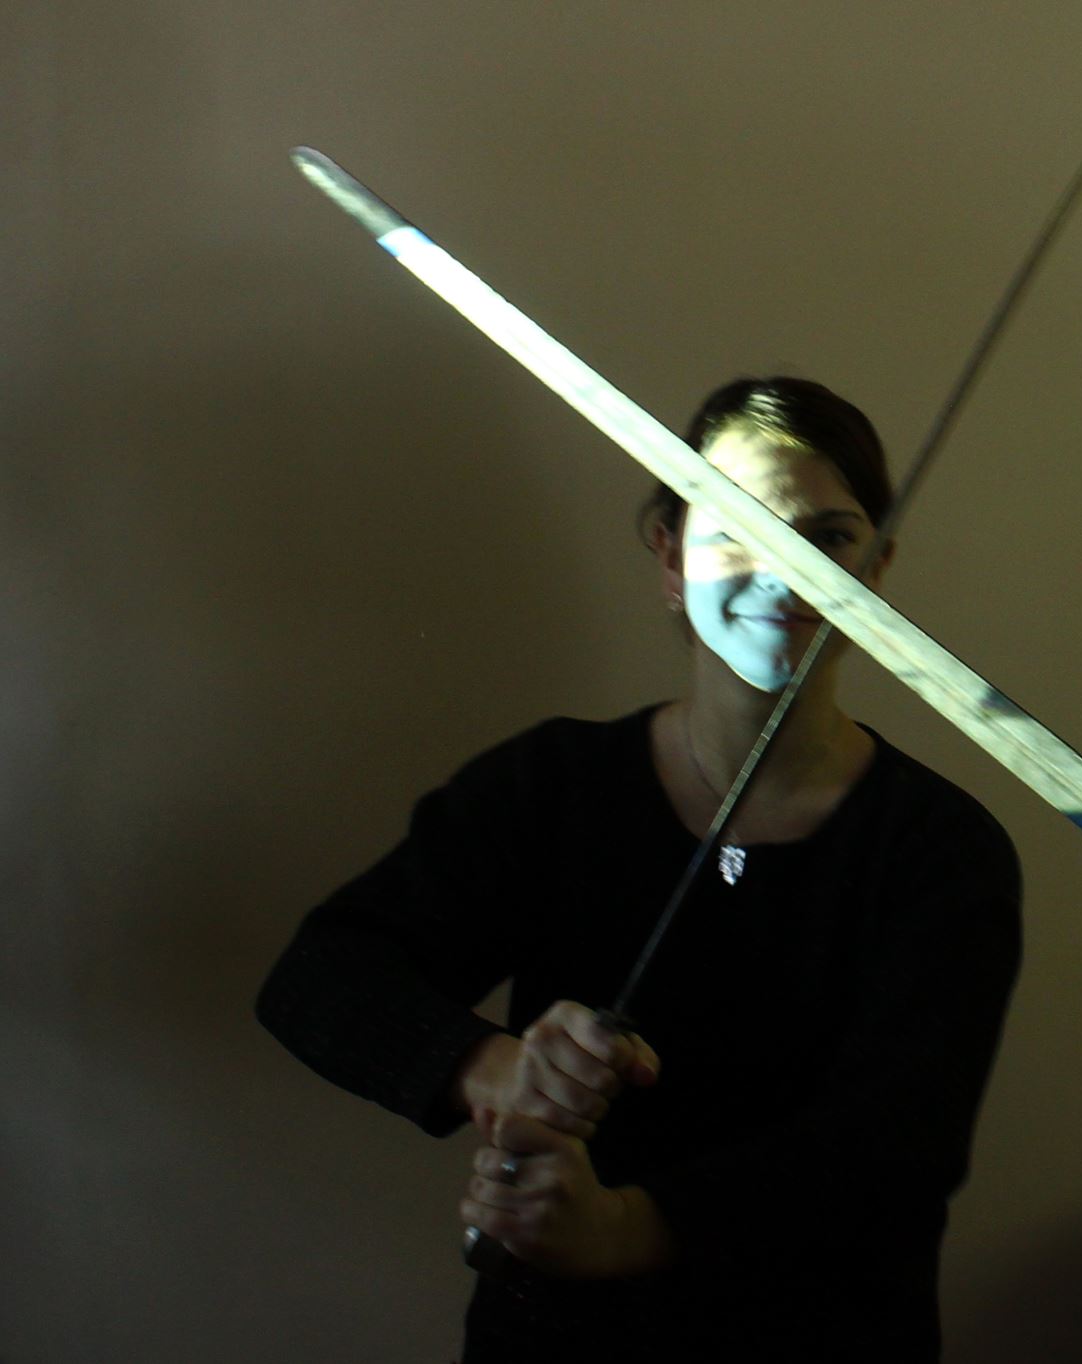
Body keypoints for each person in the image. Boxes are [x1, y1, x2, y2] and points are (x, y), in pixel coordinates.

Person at [258, 377, 1023, 1363]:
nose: (783, 574)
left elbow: (891, 1154)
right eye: (737, 531)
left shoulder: (943, 850)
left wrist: (626, 1228)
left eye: (827, 538)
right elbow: (318, 977)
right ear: (670, 556)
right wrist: (495, 1071)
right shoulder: (552, 786)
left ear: (876, 569)